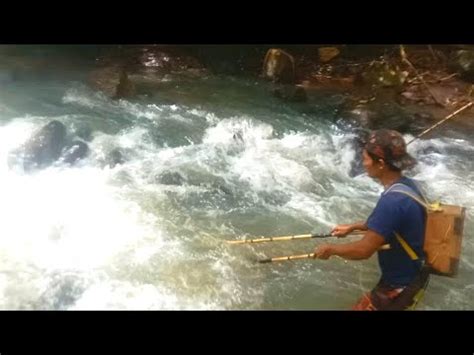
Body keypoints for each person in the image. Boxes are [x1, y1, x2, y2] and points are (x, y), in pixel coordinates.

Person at [314, 129, 430, 310]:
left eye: (366, 159)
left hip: (398, 287)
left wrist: (331, 250)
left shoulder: (392, 201)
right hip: (414, 277)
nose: (364, 163)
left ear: (381, 163)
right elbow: (392, 223)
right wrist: (354, 227)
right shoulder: (407, 186)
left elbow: (363, 250)